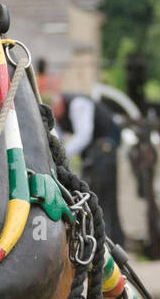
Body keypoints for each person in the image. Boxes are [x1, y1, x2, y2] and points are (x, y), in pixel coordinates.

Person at [50, 91, 125, 247]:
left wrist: (61, 156)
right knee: (95, 199)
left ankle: (107, 243)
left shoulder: (78, 104)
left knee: (102, 200)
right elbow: (59, 137)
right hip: (94, 156)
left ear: (61, 104)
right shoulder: (61, 114)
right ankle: (104, 241)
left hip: (104, 152)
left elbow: (83, 136)